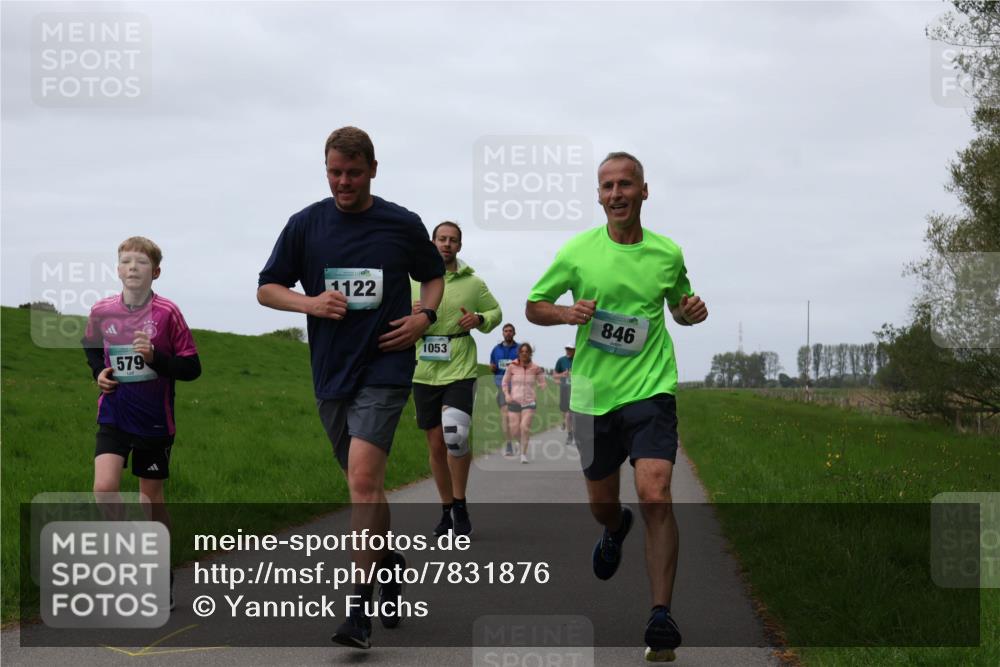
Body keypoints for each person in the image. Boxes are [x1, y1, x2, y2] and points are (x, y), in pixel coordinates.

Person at [257, 126, 445, 650]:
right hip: (330, 374)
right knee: (366, 486)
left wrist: (424, 316)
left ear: (373, 170)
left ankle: (357, 611)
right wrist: (310, 303)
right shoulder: (306, 225)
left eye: (353, 173)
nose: (344, 182)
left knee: (363, 481)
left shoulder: (402, 224)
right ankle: (386, 563)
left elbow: (433, 276)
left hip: (385, 366)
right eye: (335, 172)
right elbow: (267, 288)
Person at [525, 151, 708, 662]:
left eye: (626, 184)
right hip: (591, 394)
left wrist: (691, 313)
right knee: (604, 504)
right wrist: (566, 311)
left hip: (651, 389)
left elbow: (680, 307)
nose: (616, 194)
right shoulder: (579, 252)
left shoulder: (667, 253)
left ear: (644, 192)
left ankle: (660, 617)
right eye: (607, 186)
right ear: (598, 195)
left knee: (656, 495)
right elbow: (534, 305)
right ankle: (613, 528)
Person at [82, 236, 202, 612]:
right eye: (125, 262)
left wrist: (157, 357)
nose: (133, 267)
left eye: (141, 262)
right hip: (114, 413)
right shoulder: (102, 310)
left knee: (149, 500)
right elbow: (90, 346)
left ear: (157, 271)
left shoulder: (168, 313)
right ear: (117, 269)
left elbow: (192, 367)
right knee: (104, 488)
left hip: (154, 422)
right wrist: (98, 374)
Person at [411, 220, 501, 538]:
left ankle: (461, 503)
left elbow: (495, 312)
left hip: (461, 364)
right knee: (436, 445)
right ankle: (447, 508)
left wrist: (479, 318)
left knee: (455, 435)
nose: (446, 244)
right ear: (432, 243)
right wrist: (410, 312)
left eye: (452, 240)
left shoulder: (473, 283)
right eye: (441, 239)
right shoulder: (413, 280)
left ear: (459, 246)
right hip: (423, 369)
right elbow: (392, 316)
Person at [501, 342, 547, 464]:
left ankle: (523, 454)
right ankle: (519, 442)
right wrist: (507, 395)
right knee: (515, 430)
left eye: (527, 351)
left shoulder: (535, 368)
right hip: (514, 400)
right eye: (522, 351)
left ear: (530, 353)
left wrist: (542, 385)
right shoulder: (512, 367)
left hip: (529, 401)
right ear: (519, 353)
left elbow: (542, 381)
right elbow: (505, 382)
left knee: (524, 428)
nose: (524, 353)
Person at [489, 323, 519, 456]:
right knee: (505, 415)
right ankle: (509, 444)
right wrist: (492, 368)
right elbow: (492, 365)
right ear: (502, 333)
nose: (508, 333)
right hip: (502, 386)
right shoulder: (496, 350)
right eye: (505, 331)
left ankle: (518, 439)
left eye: (510, 331)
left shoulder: (520, 349)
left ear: (514, 333)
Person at [553, 345, 576, 445]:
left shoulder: (579, 359)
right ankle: (570, 434)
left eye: (571, 349)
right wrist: (562, 375)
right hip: (565, 389)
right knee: (567, 412)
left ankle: (574, 433)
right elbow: (555, 375)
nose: (569, 351)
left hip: (577, 390)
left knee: (575, 414)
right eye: (567, 349)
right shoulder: (561, 360)